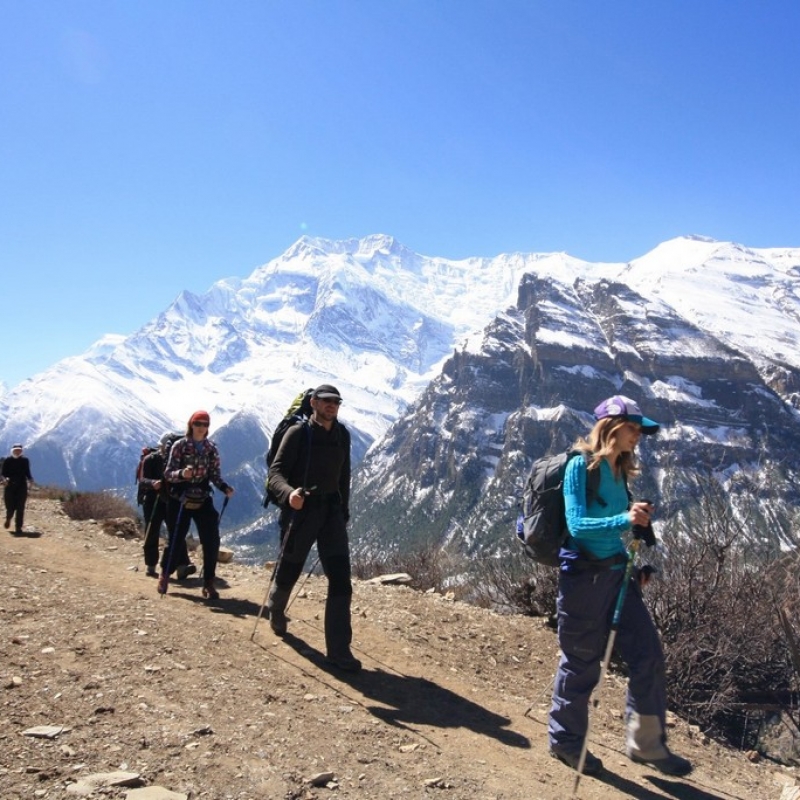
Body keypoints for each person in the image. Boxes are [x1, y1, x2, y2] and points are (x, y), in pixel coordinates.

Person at [548, 396, 692, 777]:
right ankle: (566, 742)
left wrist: (634, 550)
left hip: (618, 577)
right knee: (581, 663)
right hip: (584, 581)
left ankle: (645, 744)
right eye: (632, 428)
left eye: (639, 431)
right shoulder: (581, 467)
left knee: (648, 655)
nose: (638, 436)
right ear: (610, 426)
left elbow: (616, 529)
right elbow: (577, 527)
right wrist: (624, 518)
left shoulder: (619, 473)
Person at [266, 384, 359, 671]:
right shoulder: (298, 434)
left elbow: (343, 474)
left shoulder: (342, 435)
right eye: (326, 401)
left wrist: (342, 510)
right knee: (291, 568)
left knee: (341, 578)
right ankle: (276, 606)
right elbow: (275, 473)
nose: (332, 405)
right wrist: (289, 494)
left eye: (336, 402)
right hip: (302, 511)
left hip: (330, 511)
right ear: (314, 403)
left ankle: (339, 652)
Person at [160, 411, 234, 600]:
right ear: (191, 425)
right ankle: (165, 574)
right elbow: (168, 473)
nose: (202, 427)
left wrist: (224, 487)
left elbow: (214, 475)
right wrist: (181, 474)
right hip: (181, 497)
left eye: (205, 424)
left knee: (211, 540)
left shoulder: (211, 448)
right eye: (198, 423)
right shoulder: (179, 446)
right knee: (176, 539)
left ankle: (208, 581)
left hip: (202, 497)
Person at [139, 432, 196, 579]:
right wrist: (153, 483)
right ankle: (151, 564)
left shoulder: (176, 461)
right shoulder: (150, 459)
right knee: (153, 530)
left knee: (176, 531)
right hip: (153, 499)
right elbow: (142, 480)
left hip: (169, 499)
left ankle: (182, 565)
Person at [3, 444, 33, 535]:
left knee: (20, 508)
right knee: (10, 508)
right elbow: (3, 473)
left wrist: (30, 479)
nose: (17, 452)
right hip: (9, 486)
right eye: (16, 450)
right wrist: (4, 479)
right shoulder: (7, 460)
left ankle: (18, 527)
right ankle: (8, 518)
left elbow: (27, 472)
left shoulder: (25, 460)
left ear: (21, 451)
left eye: (19, 450)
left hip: (21, 486)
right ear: (12, 450)